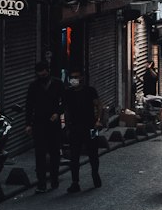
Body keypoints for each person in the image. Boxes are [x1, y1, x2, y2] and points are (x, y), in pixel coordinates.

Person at [24, 60, 64, 193]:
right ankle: (41, 182)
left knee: (54, 153)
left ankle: (54, 179)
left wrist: (58, 113)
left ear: (48, 71)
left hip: (54, 124)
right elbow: (29, 106)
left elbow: (64, 102)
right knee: (40, 154)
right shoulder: (33, 86)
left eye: (43, 71)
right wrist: (28, 124)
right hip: (39, 123)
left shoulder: (58, 84)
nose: (41, 74)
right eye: (39, 72)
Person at [62, 69, 103, 191]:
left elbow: (98, 105)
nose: (74, 79)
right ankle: (75, 182)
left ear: (82, 78)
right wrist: (67, 126)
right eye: (72, 77)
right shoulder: (68, 93)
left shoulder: (90, 91)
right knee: (74, 156)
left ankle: (95, 174)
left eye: (76, 76)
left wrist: (98, 120)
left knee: (93, 153)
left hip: (91, 126)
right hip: (75, 127)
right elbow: (66, 110)